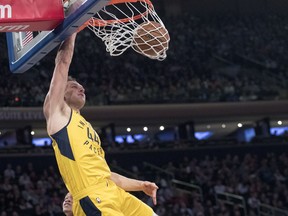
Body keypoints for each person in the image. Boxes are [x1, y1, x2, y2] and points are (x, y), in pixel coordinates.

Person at [43, 33, 159, 216]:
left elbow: (107, 175)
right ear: (61, 94)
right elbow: (62, 63)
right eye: (73, 86)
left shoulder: (88, 127)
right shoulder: (59, 115)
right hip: (91, 195)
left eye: (82, 87)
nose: (81, 88)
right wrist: (72, 29)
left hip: (113, 191)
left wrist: (140, 185)